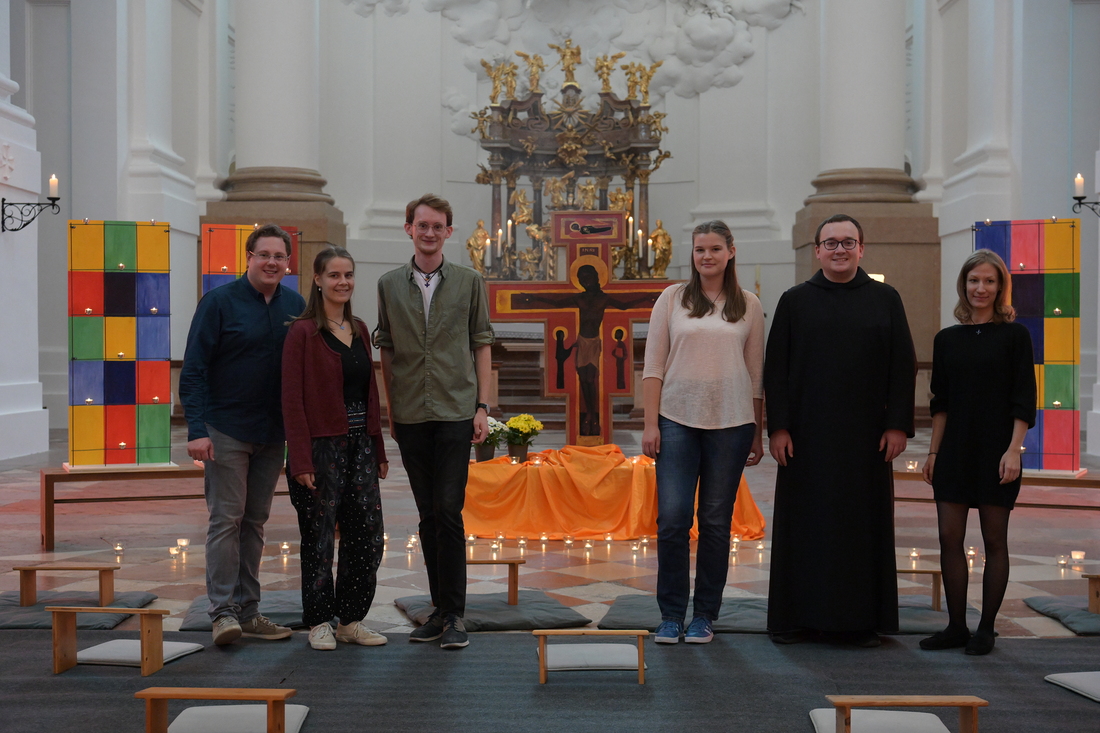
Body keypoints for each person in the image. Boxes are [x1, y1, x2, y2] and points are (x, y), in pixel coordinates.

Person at [764, 214, 916, 648]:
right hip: (806, 439)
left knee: (859, 527)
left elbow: (901, 366)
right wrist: (779, 429)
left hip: (866, 439)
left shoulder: (886, 298)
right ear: (817, 251)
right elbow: (776, 370)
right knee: (806, 526)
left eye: (848, 242)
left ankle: (860, 621)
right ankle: (797, 618)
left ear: (862, 249)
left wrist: (897, 425)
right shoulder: (795, 301)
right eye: (830, 243)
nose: (839, 250)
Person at [375, 193, 494, 650]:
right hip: (409, 413)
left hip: (455, 410)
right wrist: (390, 407)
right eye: (421, 225)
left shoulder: (468, 281)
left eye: (437, 226)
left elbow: (481, 342)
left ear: (448, 231)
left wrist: (482, 406)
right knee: (427, 515)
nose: (429, 232)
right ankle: (439, 611)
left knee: (448, 509)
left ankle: (456, 615)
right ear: (408, 228)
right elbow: (386, 348)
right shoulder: (388, 284)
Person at [180, 223, 306, 646]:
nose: (272, 262)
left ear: (288, 263)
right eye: (264, 254)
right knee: (225, 520)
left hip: (272, 432)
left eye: (280, 256)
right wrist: (197, 430)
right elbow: (194, 368)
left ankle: (249, 610)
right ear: (248, 258)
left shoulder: (295, 304)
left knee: (255, 522)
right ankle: (222, 613)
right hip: (226, 428)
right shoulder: (219, 302)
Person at [642, 220, 765, 644]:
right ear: (692, 254)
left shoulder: (749, 304)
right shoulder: (672, 298)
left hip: (732, 424)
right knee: (673, 520)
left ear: (731, 251)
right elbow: (654, 365)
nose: (707, 256)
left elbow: (755, 374)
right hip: (676, 419)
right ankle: (671, 615)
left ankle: (704, 615)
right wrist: (650, 423)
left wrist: (757, 432)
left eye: (715, 249)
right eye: (699, 250)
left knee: (715, 522)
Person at [920, 250, 1036, 656]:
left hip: (997, 451)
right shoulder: (947, 338)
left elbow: (1024, 399)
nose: (980, 288)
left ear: (1001, 286)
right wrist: (933, 453)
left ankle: (986, 629)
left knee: (994, 540)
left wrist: (1014, 451)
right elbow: (941, 402)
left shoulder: (1016, 336)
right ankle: (956, 626)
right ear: (963, 285)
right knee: (949, 537)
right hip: (954, 449)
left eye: (989, 281)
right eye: (974, 281)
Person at [283, 247, 390, 651]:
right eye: (334, 276)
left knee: (368, 535)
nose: (342, 282)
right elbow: (291, 400)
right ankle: (318, 622)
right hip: (320, 448)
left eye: (348, 275)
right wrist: (301, 459)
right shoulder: (302, 332)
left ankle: (350, 619)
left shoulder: (360, 328)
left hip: (361, 446)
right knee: (319, 536)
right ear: (317, 279)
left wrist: (377, 447)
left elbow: (371, 393)